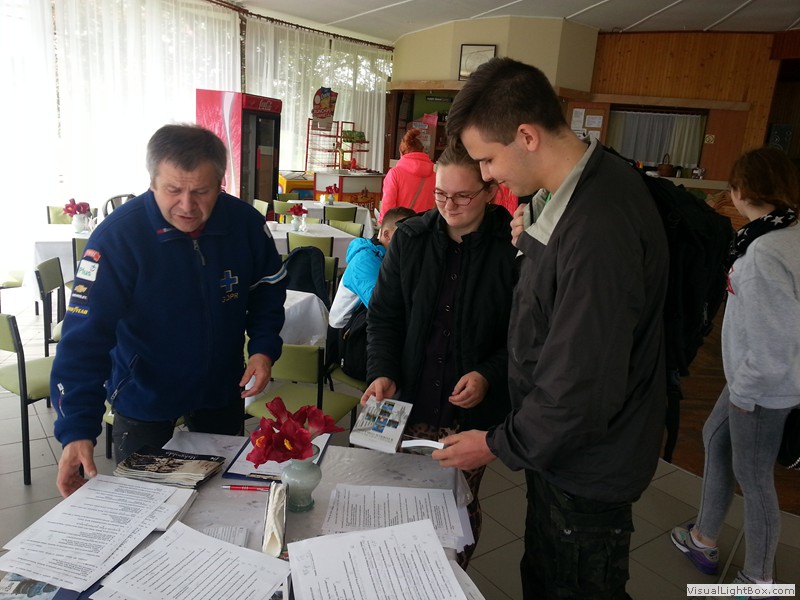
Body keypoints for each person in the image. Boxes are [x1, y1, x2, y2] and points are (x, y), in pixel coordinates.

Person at [433, 57, 669, 599]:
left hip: (588, 461)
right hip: (563, 449)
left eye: (488, 159)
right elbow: (560, 307)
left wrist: (497, 444)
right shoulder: (573, 194)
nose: (486, 175)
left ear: (527, 136)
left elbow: (581, 383)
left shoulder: (599, 223)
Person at [52, 124, 287, 497]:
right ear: (152, 182)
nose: (187, 206)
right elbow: (84, 340)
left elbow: (268, 289)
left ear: (220, 183)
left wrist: (262, 347)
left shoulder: (244, 224)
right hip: (144, 390)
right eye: (173, 190)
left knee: (220, 495)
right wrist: (78, 429)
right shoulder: (117, 238)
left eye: (202, 191)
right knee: (144, 501)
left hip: (222, 385)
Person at [362, 143, 517, 567]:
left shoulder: (512, 247)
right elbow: (384, 317)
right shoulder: (410, 238)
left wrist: (487, 374)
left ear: (490, 191)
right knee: (395, 506)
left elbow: (524, 337)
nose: (449, 205)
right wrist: (382, 371)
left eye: (463, 196)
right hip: (407, 401)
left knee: (456, 510)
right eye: (440, 194)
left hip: (467, 414)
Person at [671, 147, 800, 591]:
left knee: (755, 478)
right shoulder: (788, 232)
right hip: (760, 375)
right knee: (714, 436)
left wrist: (746, 394)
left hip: (763, 386)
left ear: (740, 191)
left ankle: (758, 580)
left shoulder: (763, 253)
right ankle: (703, 537)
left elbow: (772, 341)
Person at [328, 206, 416, 329]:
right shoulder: (364, 260)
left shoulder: (392, 256)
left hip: (365, 322)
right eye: (405, 235)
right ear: (387, 235)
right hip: (346, 330)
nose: (412, 241)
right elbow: (379, 306)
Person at [378, 128, 436, 222]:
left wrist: (383, 224)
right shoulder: (435, 176)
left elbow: (388, 206)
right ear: (422, 151)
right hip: (426, 226)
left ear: (401, 152)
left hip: (402, 226)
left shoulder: (395, 174)